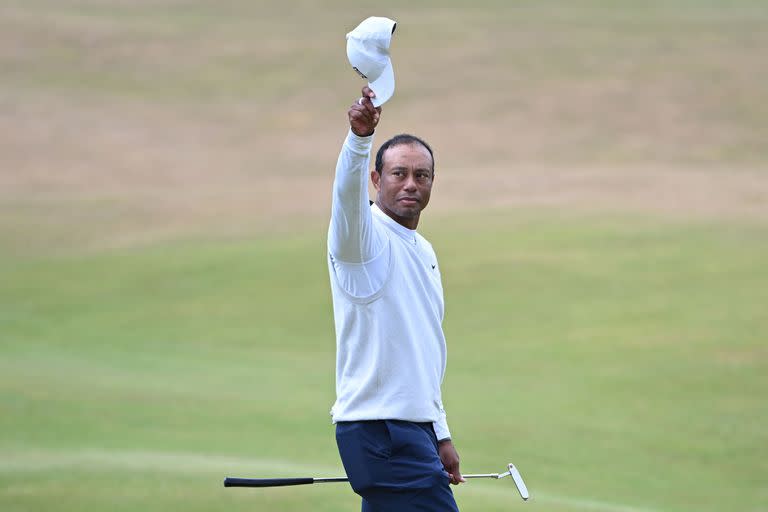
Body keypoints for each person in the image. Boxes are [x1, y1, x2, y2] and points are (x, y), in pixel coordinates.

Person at [327, 85, 464, 512]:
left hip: (412, 429)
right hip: (378, 430)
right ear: (375, 178)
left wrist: (438, 431)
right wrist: (359, 140)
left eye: (420, 175)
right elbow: (346, 201)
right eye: (398, 173)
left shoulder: (423, 250)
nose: (410, 184)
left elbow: (423, 350)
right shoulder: (360, 240)